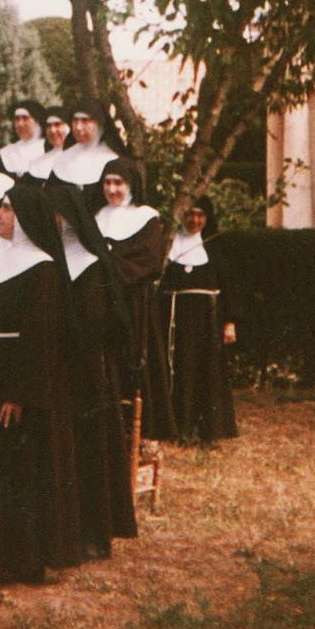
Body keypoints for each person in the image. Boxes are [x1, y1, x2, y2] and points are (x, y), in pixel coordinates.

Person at [0, 184, 80, 582]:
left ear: (27, 218)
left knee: (21, 468)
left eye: (7, 209)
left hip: (20, 381)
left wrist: (19, 393)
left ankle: (24, 558)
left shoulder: (43, 268)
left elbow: (42, 339)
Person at [48, 184, 138, 559]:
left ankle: (96, 532)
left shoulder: (91, 263)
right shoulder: (51, 260)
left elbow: (101, 321)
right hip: (64, 369)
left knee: (92, 447)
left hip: (90, 369)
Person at [95, 158, 178, 441]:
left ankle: (143, 430)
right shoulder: (96, 217)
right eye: (107, 182)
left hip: (134, 303)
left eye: (118, 182)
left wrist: (108, 265)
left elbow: (150, 261)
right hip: (103, 301)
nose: (112, 189)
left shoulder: (146, 218)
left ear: (131, 185)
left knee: (135, 360)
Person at [161, 197, 239, 443]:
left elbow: (231, 286)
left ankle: (208, 431)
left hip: (208, 321)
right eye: (189, 214)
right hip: (174, 320)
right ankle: (177, 429)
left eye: (200, 215)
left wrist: (230, 322)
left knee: (207, 371)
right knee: (179, 369)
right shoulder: (167, 245)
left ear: (207, 218)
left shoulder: (216, 246)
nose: (194, 220)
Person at [50, 104, 121, 188]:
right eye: (75, 120)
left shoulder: (113, 161)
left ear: (99, 123)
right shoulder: (63, 159)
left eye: (85, 120)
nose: (78, 127)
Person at [0, 100, 48, 178]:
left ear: (37, 121)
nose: (20, 124)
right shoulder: (5, 152)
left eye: (25, 118)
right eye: (17, 119)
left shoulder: (47, 149)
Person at [24, 106, 73, 184]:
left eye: (57, 124)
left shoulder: (80, 158)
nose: (52, 130)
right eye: (48, 126)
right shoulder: (37, 163)